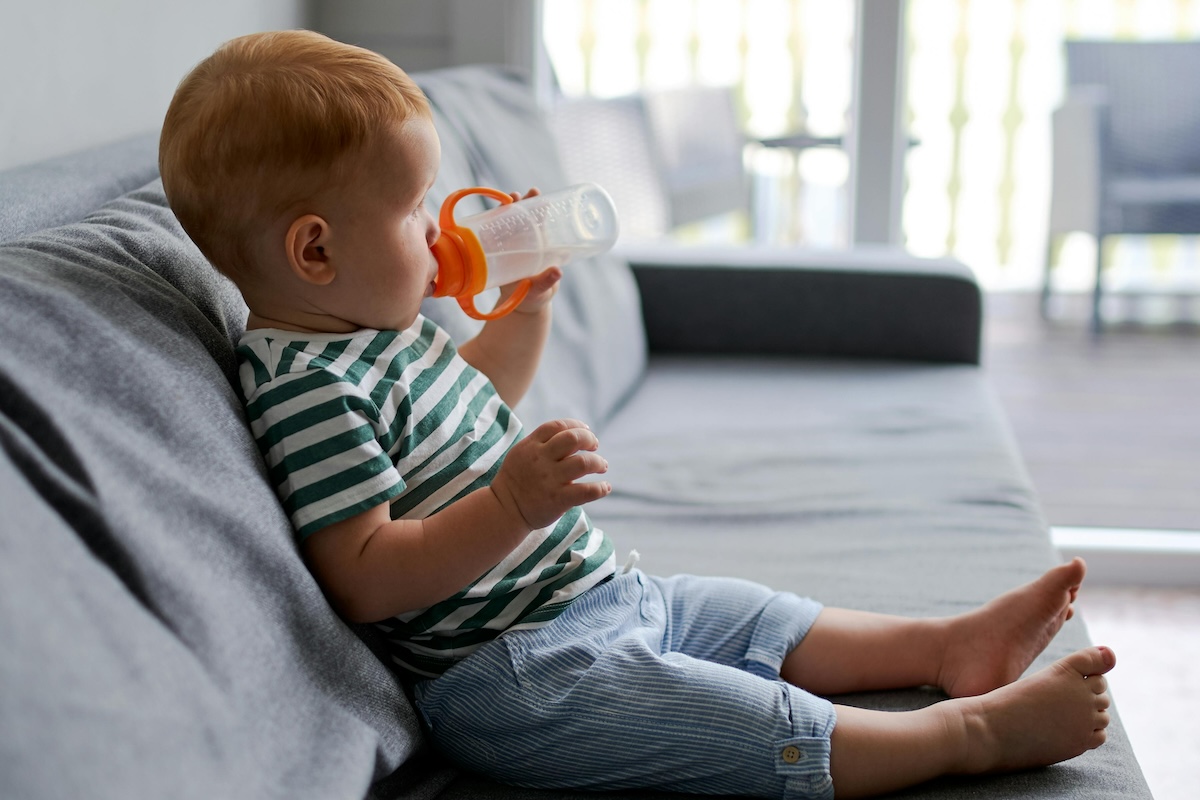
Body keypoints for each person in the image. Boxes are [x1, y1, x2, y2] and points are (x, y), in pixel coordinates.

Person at [159, 30, 1115, 800]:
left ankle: (948, 646)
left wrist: (527, 308)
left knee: (755, 616)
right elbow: (366, 576)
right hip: (519, 678)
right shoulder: (307, 388)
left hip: (601, 594)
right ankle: (967, 735)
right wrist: (512, 506)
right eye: (414, 211)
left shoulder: (377, 330)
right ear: (315, 251)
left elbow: (484, 397)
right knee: (738, 724)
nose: (439, 222)